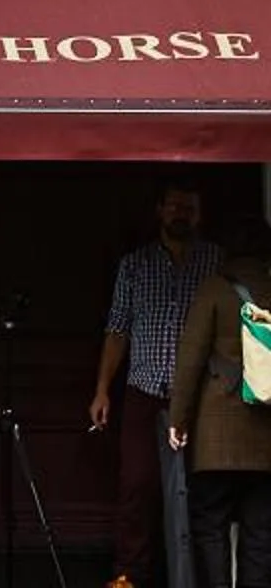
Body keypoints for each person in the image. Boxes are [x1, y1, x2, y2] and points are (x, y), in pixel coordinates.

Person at [92, 179, 218, 588]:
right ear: (159, 210)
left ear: (200, 214)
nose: (181, 213)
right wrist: (102, 390)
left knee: (200, 491)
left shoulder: (217, 263)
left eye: (189, 207)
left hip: (202, 398)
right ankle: (130, 578)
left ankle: (196, 577)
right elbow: (117, 330)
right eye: (175, 206)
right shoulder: (135, 265)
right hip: (144, 392)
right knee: (138, 489)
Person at [168, 214, 271, 588]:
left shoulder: (214, 288)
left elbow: (191, 358)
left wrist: (177, 420)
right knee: (260, 534)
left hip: (216, 441)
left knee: (209, 527)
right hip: (265, 440)